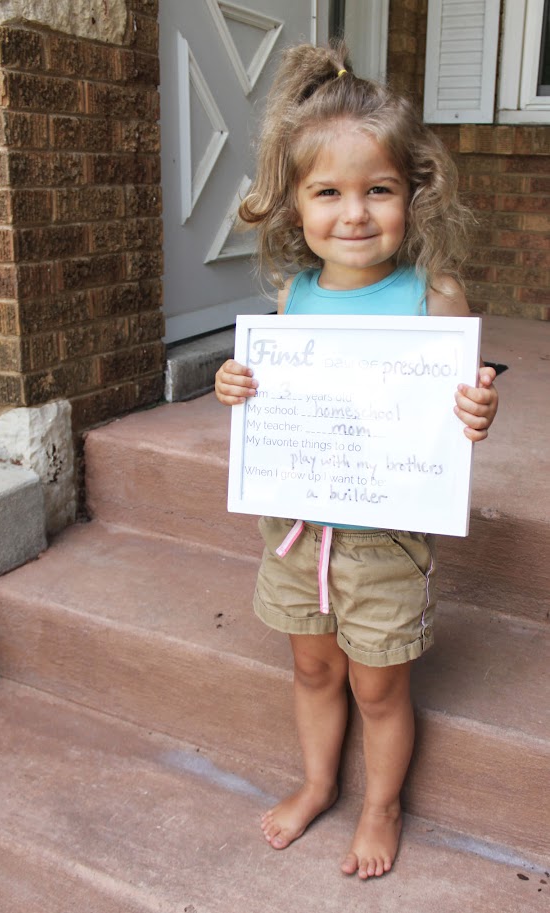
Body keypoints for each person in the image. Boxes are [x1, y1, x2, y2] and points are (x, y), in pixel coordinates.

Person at [215, 42, 498, 881]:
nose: (355, 214)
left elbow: (462, 398)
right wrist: (239, 383)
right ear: (295, 202)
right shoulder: (292, 296)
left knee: (377, 686)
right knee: (311, 664)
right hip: (298, 528)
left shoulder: (431, 292)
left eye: (378, 190)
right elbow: (270, 391)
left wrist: (477, 408)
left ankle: (381, 802)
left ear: (414, 194)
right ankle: (314, 782)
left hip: (385, 539)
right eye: (328, 193)